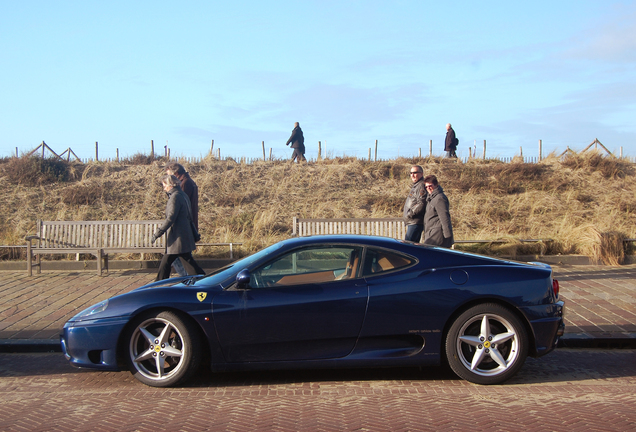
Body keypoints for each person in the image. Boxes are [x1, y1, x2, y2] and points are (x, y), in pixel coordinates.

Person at [152, 174, 206, 281]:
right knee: (188, 262)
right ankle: (205, 279)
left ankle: (157, 285)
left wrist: (158, 233)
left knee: (166, 263)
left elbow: (170, 218)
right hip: (184, 236)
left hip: (177, 237)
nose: (164, 188)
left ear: (170, 185)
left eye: (164, 186)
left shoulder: (175, 197)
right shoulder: (183, 195)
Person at [165, 162, 199, 277]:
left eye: (169, 175)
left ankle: (188, 279)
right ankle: (192, 278)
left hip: (182, 227)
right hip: (188, 225)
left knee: (179, 257)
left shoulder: (183, 185)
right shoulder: (189, 182)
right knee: (185, 258)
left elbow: (179, 207)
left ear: (176, 173)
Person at [422, 175, 454, 248]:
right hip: (431, 233)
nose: (428, 188)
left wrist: (447, 237)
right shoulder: (431, 198)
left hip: (437, 235)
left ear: (436, 185)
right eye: (426, 187)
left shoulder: (440, 198)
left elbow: (444, 217)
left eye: (430, 186)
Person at [403, 165, 427, 242]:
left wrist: (410, 214)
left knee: (408, 247)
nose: (412, 175)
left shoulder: (421, 186)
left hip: (415, 221)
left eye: (415, 172)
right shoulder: (416, 186)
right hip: (412, 222)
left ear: (421, 174)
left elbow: (421, 203)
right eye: (411, 173)